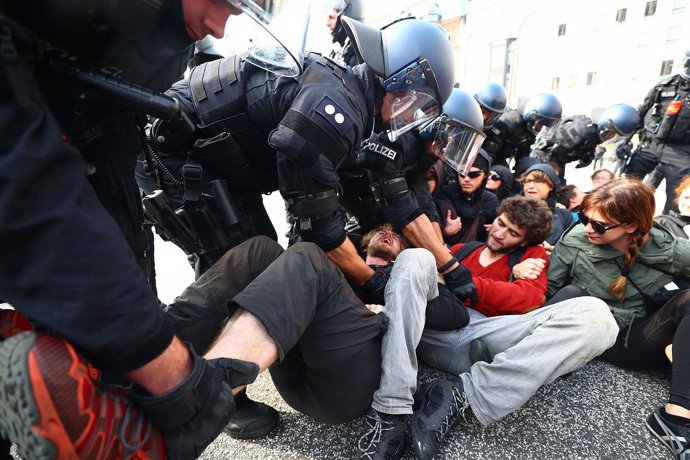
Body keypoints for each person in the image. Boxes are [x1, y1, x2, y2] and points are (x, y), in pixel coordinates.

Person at [0, 0, 295, 456]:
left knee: (126, 282)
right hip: (52, 151)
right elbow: (22, 183)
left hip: (102, 136)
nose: (219, 24)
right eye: (219, 1)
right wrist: (170, 370)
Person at [138, 40, 482, 314]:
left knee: (256, 258)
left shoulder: (350, 96)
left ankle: (197, 364)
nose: (412, 113)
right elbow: (317, 226)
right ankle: (176, 363)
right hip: (175, 153)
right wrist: (372, 281)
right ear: (397, 81)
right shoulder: (336, 108)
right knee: (243, 266)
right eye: (414, 100)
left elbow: (403, 204)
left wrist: (449, 268)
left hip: (210, 161)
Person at [406, 196, 618, 459]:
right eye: (500, 223)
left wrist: (459, 281)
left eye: (512, 232)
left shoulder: (533, 256)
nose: (499, 233)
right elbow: (423, 282)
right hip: (437, 332)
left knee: (599, 317)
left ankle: (461, 392)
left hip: (489, 332)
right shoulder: (462, 249)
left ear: (525, 240)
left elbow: (526, 300)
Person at [546, 178, 690, 459]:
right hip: (588, 329)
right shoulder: (576, 239)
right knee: (571, 292)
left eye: (599, 225)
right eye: (583, 217)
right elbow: (549, 291)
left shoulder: (671, 250)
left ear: (631, 226)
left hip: (633, 340)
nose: (587, 227)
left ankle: (675, 417)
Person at [624, 50, 690, 215]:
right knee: (628, 185)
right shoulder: (664, 85)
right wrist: (625, 140)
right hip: (650, 145)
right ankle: (622, 215)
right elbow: (639, 113)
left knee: (677, 198)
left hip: (680, 151)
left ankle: (670, 232)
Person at [531, 103, 640, 180]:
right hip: (543, 159)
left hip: (556, 162)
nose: (610, 136)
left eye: (614, 134)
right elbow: (553, 152)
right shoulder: (580, 129)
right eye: (610, 132)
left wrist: (588, 155)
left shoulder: (594, 134)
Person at [482, 93, 562, 167]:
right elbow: (488, 151)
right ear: (533, 116)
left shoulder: (530, 129)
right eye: (540, 124)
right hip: (486, 157)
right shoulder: (508, 122)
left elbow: (523, 155)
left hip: (500, 159)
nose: (540, 128)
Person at [520, 163, 574, 253]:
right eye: (527, 181)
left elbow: (571, 248)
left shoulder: (564, 215)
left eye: (538, 181)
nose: (531, 186)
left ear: (551, 186)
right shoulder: (513, 210)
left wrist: (554, 251)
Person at [325, 0, 364, 67]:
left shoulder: (362, 50)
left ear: (346, 17)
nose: (327, 23)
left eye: (331, 18)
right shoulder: (337, 51)